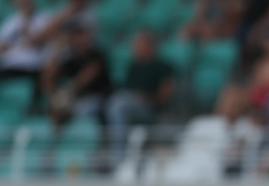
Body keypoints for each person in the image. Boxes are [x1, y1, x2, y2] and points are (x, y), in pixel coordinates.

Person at [105, 32, 175, 162]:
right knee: (116, 102)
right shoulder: (134, 66)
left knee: (118, 105)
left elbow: (164, 97)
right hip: (131, 106)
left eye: (139, 45)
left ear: (150, 46)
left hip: (150, 109)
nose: (136, 49)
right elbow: (128, 89)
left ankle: (118, 157)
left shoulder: (163, 67)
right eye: (135, 45)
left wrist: (145, 98)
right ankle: (118, 151)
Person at [41, 23, 110, 120]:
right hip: (76, 98)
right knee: (55, 106)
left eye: (84, 36)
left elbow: (86, 77)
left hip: (98, 98)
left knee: (68, 108)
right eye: (77, 37)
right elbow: (48, 78)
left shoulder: (97, 55)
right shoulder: (71, 58)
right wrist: (58, 51)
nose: (82, 40)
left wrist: (64, 94)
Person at [0, 0, 53, 82]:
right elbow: (2, 48)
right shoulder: (10, 22)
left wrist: (26, 22)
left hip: (32, 65)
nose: (24, 2)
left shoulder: (45, 18)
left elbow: (36, 41)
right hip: (10, 64)